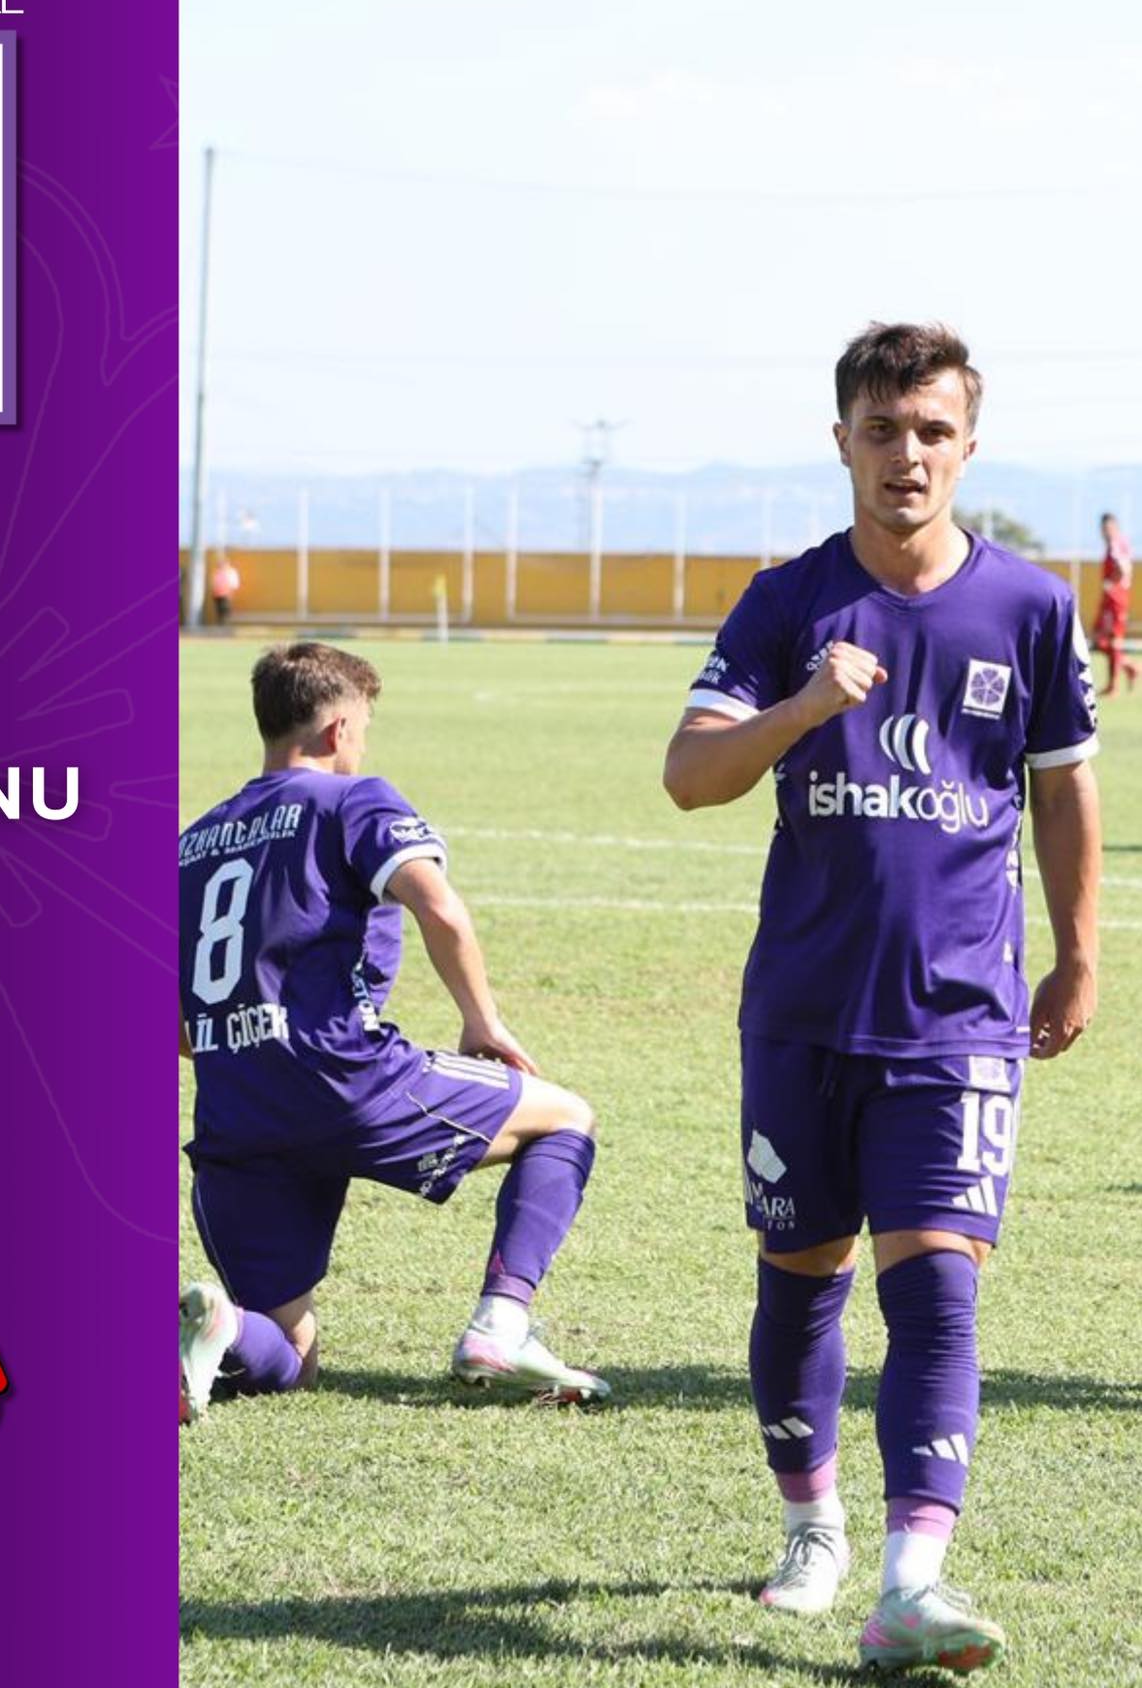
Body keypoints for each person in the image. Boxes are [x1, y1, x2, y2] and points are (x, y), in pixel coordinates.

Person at [662, 323, 1099, 1676]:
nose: (906, 453)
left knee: (939, 1290)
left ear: (967, 444)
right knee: (801, 1281)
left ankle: (913, 1579)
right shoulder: (786, 600)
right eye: (881, 428)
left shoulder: (1029, 607)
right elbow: (689, 775)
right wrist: (801, 707)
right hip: (801, 1011)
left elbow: (1062, 789)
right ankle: (813, 1525)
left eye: (931, 430)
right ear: (841, 439)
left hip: (956, 1016)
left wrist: (1079, 950)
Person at [179, 640, 605, 1420]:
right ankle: (500, 1326)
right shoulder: (353, 799)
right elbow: (438, 907)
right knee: (565, 1118)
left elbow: (172, 1019)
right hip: (346, 1080)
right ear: (338, 728)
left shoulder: (193, 843)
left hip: (236, 1116)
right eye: (364, 728)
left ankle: (224, 1325)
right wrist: (482, 1022)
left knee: (289, 1358)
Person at [1093, 512, 1136, 694]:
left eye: (1108, 528)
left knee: (1112, 641)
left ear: (1115, 527)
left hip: (1115, 599)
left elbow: (1122, 568)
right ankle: (1129, 667)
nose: (1105, 532)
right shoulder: (1117, 543)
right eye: (1103, 528)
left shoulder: (1116, 544)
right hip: (1112, 598)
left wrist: (1111, 585)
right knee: (1101, 640)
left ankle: (1113, 686)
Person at [210, 553, 241, 626]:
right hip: (217, 593)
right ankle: (220, 624)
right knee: (219, 610)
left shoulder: (231, 572)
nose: (221, 565)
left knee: (225, 609)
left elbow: (234, 583)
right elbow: (214, 582)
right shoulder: (217, 572)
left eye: (223, 563)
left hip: (226, 593)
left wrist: (230, 592)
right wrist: (214, 590)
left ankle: (226, 624)